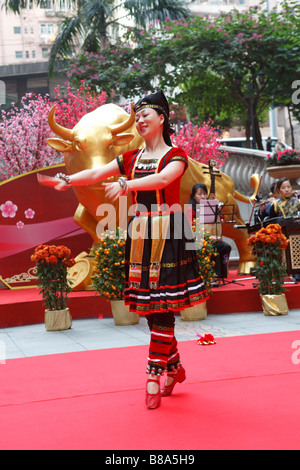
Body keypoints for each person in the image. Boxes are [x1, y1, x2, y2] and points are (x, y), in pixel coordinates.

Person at [46, 90, 208, 410]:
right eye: (139, 117)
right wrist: (68, 178)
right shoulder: (130, 159)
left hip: (169, 235)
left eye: (147, 116)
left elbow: (163, 179)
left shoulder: (176, 154)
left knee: (161, 306)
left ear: (162, 119)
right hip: (140, 237)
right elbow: (96, 173)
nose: (142, 121)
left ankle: (152, 374)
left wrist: (127, 185)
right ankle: (174, 368)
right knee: (151, 307)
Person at [188, 183, 232, 280]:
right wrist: (208, 237)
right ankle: (212, 276)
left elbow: (219, 220)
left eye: (204, 194)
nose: (203, 196)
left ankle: (220, 276)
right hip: (196, 240)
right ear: (194, 196)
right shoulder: (190, 209)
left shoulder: (209, 207)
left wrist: (218, 211)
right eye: (199, 194)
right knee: (214, 247)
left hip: (208, 238)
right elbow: (191, 229)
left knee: (225, 247)